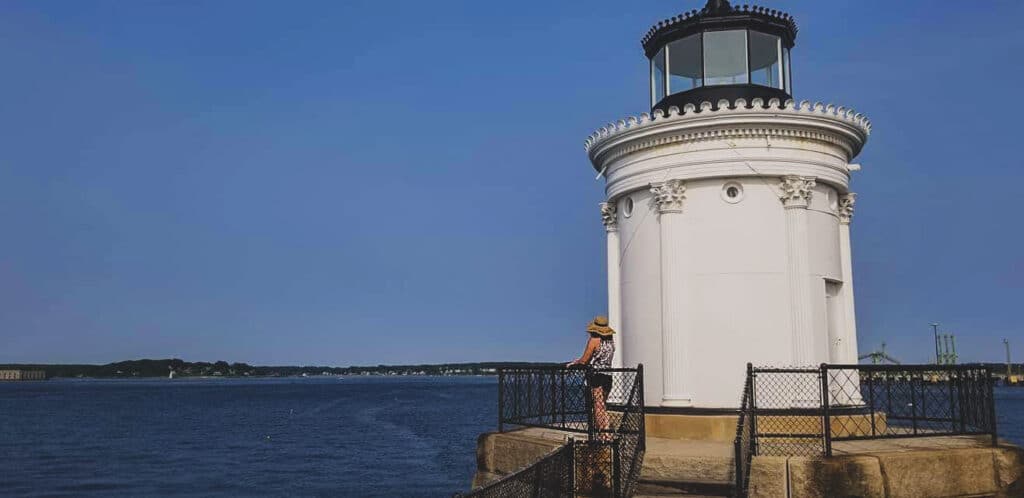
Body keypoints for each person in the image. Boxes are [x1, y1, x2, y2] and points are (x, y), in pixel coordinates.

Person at [566, 315, 615, 441]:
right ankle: (607, 431)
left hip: (597, 376)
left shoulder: (594, 340)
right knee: (603, 405)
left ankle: (603, 434)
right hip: (608, 376)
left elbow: (585, 360)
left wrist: (575, 363)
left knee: (598, 406)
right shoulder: (610, 341)